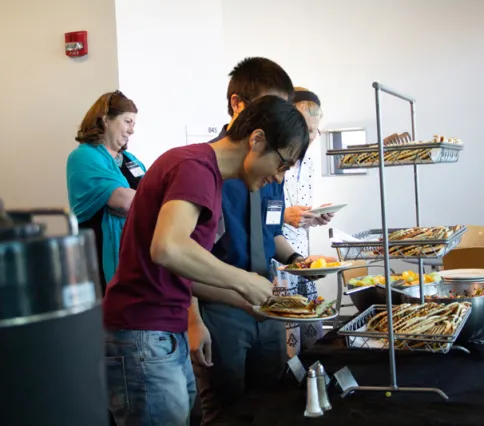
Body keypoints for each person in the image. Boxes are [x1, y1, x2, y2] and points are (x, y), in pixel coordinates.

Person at [103, 94, 310, 426]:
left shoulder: (206, 173)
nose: (279, 177)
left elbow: (182, 269)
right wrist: (244, 281)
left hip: (161, 333)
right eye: (282, 163)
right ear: (256, 139)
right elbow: (168, 248)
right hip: (144, 333)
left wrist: (251, 303)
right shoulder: (196, 167)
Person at [189, 58, 335, 425]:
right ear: (239, 105)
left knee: (271, 400)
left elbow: (272, 232)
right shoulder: (206, 169)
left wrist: (300, 262)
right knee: (227, 407)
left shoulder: (274, 163)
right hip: (222, 308)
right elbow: (179, 257)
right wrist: (194, 321)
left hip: (267, 303)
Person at [66, 90, 146, 293]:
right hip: (100, 258)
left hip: (137, 254)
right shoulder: (83, 157)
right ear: (105, 120)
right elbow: (125, 201)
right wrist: (158, 201)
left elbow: (149, 196)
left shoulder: (131, 160)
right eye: (128, 122)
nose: (132, 130)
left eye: (134, 124)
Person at [283, 87, 335, 353]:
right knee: (287, 334)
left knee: (311, 332)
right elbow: (257, 209)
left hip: (302, 253)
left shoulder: (309, 161)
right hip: (278, 260)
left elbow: (298, 207)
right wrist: (284, 215)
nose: (314, 137)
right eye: (309, 129)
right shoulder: (277, 158)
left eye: (316, 130)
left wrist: (314, 217)